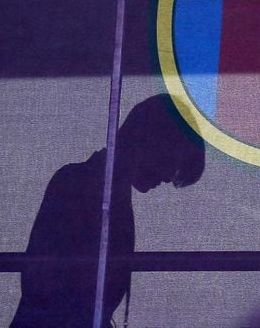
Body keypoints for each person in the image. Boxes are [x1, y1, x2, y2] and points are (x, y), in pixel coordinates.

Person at [11, 94, 205, 327]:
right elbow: (44, 284)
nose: (166, 177)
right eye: (170, 162)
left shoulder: (96, 189)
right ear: (152, 142)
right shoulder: (82, 186)